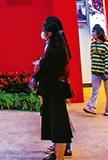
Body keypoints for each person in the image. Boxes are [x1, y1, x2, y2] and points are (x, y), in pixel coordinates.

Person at [34, 18, 73, 160]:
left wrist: (39, 85)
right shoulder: (55, 47)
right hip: (53, 88)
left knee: (59, 123)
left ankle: (62, 152)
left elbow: (49, 71)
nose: (42, 32)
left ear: (50, 32)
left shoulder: (56, 51)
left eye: (44, 30)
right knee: (56, 121)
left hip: (54, 88)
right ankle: (58, 151)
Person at [84, 24, 108, 116]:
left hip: (105, 72)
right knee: (95, 90)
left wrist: (107, 71)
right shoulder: (92, 45)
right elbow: (92, 58)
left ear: (98, 33)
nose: (92, 33)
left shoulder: (105, 46)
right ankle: (91, 107)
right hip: (95, 71)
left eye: (94, 32)